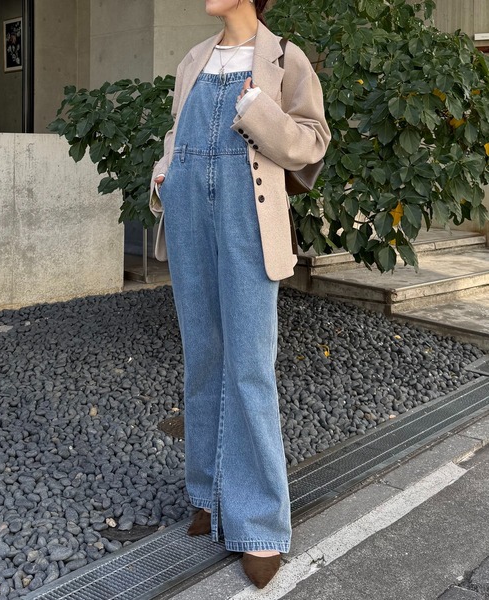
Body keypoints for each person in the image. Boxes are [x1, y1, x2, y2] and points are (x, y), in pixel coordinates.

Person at [149, 0, 331, 589]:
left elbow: (313, 142)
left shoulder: (284, 59)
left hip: (248, 218)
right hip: (189, 214)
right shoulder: (192, 61)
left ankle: (257, 521)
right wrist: (164, 172)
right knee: (202, 356)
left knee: (249, 365)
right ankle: (208, 493)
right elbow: (178, 133)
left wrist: (258, 110)